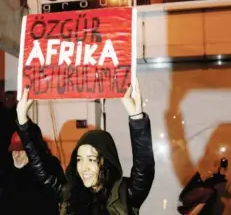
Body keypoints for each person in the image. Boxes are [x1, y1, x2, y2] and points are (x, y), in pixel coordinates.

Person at [17, 80, 155, 215]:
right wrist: (23, 121)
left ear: (105, 161)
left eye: (91, 159)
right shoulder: (69, 194)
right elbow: (42, 169)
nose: (84, 167)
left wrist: (137, 119)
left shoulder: (125, 194)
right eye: (79, 159)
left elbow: (144, 168)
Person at [0, 131, 64, 215]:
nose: (17, 155)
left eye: (21, 151)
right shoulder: (7, 171)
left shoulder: (49, 166)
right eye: (14, 150)